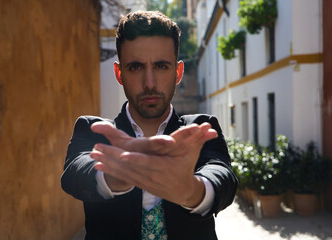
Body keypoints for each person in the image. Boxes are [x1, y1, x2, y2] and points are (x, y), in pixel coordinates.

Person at [61, 10, 237, 240]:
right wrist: (116, 175)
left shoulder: (200, 129)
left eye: (161, 66)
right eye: (135, 67)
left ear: (178, 72)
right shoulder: (92, 131)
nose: (150, 83)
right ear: (119, 72)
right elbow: (75, 175)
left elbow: (222, 176)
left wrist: (191, 191)